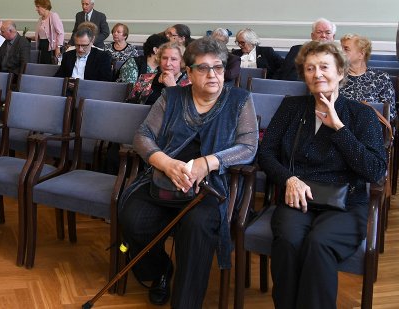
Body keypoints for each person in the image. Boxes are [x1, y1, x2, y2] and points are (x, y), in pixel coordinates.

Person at [118, 37, 258, 308]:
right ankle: (160, 272)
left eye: (218, 67)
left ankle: (186, 303)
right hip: (164, 177)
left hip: (210, 187)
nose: (213, 75)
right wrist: (166, 163)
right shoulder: (171, 97)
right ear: (189, 72)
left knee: (195, 229)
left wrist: (207, 163)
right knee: (133, 219)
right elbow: (143, 136)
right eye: (203, 69)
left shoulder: (240, 99)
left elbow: (248, 147)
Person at [257, 41, 386, 309]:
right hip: (298, 198)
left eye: (324, 67)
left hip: (346, 204)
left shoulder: (361, 114)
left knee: (319, 244)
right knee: (289, 242)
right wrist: (289, 179)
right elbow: (266, 153)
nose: (317, 74)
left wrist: (339, 128)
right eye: (310, 68)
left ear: (341, 71)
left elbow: (375, 170)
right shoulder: (292, 108)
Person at [340, 34, 396, 122]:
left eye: (346, 49)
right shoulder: (336, 77)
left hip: (372, 128)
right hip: (339, 127)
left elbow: (390, 114)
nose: (341, 52)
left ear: (361, 54)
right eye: (341, 48)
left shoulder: (381, 78)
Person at [129, 41, 190, 105]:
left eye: (173, 59)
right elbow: (129, 108)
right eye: (164, 58)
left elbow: (186, 112)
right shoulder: (145, 79)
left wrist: (172, 87)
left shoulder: (190, 85)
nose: (168, 63)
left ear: (182, 61)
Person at [33, 0, 65, 65]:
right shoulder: (40, 19)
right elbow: (42, 35)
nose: (36, 9)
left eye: (38, 7)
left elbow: (60, 33)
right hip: (42, 46)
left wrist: (58, 48)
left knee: (50, 67)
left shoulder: (53, 16)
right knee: (42, 66)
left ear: (44, 6)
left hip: (51, 48)